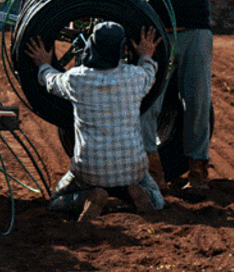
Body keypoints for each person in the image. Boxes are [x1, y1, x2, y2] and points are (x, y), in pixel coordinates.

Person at [68, 0, 232, 191]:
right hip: (159, 37)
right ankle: (153, 170)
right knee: (148, 101)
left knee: (197, 102)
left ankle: (198, 173)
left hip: (196, 34)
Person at [24, 22, 164, 222]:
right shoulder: (135, 77)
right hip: (132, 169)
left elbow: (50, 81)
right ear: (123, 49)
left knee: (56, 201)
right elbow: (150, 72)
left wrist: (44, 64)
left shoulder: (76, 80)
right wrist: (145, 55)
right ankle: (130, 197)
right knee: (158, 201)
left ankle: (88, 198)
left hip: (89, 171)